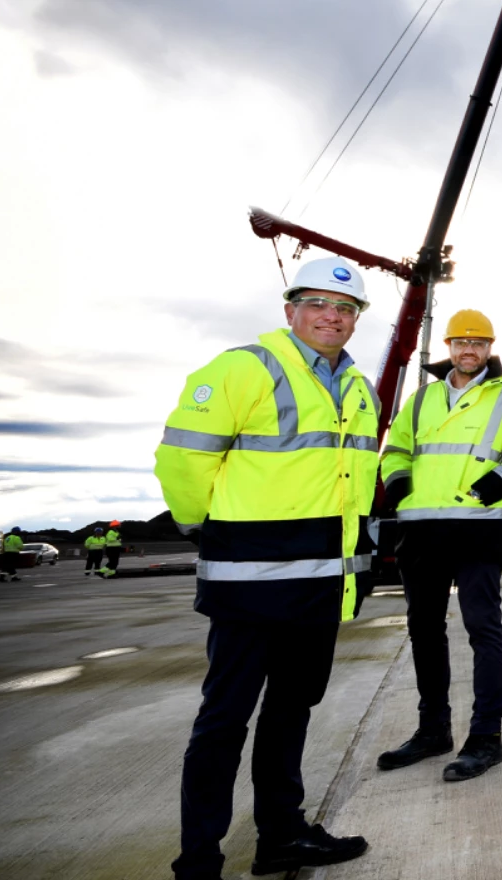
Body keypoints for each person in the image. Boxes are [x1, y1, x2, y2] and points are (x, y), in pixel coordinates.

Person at [154, 255, 379, 880]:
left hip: (320, 586)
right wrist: (209, 526)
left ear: (356, 320)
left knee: (291, 712)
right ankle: (198, 861)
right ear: (290, 311)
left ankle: (281, 835)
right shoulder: (243, 368)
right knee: (224, 720)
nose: (331, 317)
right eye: (318, 305)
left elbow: (351, 485)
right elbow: (182, 461)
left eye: (345, 309)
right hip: (250, 584)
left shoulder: (359, 388)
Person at [375, 309, 502, 782]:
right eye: (461, 342)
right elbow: (397, 448)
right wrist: (398, 482)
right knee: (424, 631)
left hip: (475, 526)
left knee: (482, 628)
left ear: (490, 348)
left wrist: (493, 485)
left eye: (479, 343)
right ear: (449, 346)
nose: (469, 351)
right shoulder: (423, 397)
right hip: (420, 528)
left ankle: (486, 737)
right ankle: (433, 731)